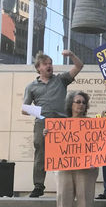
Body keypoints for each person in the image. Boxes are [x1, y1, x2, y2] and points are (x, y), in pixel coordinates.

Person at [22, 50, 84, 197]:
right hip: (42, 123)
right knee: (40, 153)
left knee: (65, 153)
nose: (49, 66)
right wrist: (41, 112)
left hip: (62, 123)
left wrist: (72, 56)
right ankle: (38, 186)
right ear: (38, 68)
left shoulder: (61, 79)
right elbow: (24, 109)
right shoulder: (31, 87)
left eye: (50, 63)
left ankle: (68, 186)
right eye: (45, 64)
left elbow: (79, 66)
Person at [53, 91, 96, 207]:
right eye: (77, 102)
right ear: (70, 104)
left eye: (83, 102)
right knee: (63, 198)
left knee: (85, 199)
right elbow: (54, 146)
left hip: (86, 168)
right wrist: (48, 135)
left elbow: (99, 145)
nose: (81, 105)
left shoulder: (92, 124)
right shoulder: (60, 124)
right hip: (64, 167)